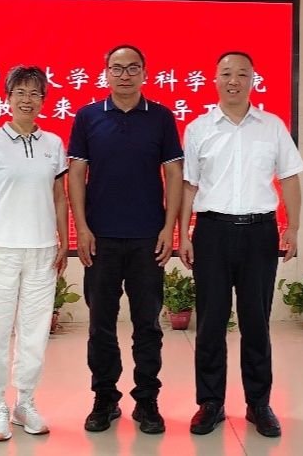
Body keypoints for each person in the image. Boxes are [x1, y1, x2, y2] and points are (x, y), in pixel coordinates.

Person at [179, 51, 303, 438]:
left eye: (242, 74)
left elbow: (290, 178)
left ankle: (259, 403)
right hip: (212, 233)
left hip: (259, 234)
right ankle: (210, 403)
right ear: (215, 79)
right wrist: (183, 233)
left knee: (256, 322)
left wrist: (293, 227)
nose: (234, 80)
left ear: (253, 80)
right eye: (226, 74)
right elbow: (189, 185)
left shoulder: (272, 127)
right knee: (211, 322)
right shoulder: (199, 128)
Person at [68, 44, 183, 434]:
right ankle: (104, 398)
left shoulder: (161, 117)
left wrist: (169, 228)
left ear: (145, 73)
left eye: (133, 68)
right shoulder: (87, 117)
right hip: (100, 239)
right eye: (117, 68)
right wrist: (82, 228)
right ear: (105, 73)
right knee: (100, 325)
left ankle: (147, 400)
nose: (125, 75)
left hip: (147, 238)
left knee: (147, 324)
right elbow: (76, 175)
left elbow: (173, 175)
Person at [0, 65, 70, 441]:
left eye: (35, 93)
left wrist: (64, 242)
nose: (28, 100)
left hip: (43, 251)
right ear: (8, 98)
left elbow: (59, 197)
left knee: (34, 331)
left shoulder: (53, 144)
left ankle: (25, 402)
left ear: (44, 100)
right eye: (20, 92)